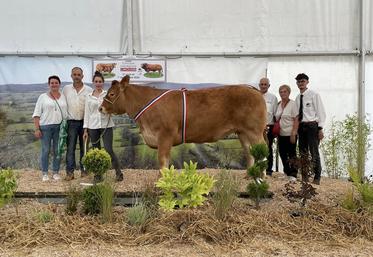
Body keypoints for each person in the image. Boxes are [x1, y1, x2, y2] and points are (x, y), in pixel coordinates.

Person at [83, 72, 124, 182]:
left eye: (100, 81)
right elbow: (87, 113)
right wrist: (85, 130)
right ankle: (98, 175)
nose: (98, 83)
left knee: (109, 149)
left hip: (107, 125)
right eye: (96, 81)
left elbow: (114, 107)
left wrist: (111, 111)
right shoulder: (88, 96)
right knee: (96, 151)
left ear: (103, 83)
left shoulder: (107, 94)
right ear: (93, 82)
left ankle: (118, 172)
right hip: (93, 126)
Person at [32, 75, 67, 181]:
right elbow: (36, 114)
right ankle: (45, 173)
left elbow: (65, 113)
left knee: (58, 150)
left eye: (56, 83)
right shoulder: (42, 97)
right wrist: (37, 129)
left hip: (59, 128)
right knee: (46, 150)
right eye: (52, 83)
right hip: (45, 127)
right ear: (49, 84)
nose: (54, 84)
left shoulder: (63, 96)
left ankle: (56, 172)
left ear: (59, 84)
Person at [295, 73, 326, 185]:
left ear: (307, 82)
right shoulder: (298, 98)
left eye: (302, 81)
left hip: (312, 126)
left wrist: (320, 128)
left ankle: (317, 177)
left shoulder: (314, 94)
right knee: (303, 152)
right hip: (301, 126)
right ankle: (304, 177)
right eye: (298, 82)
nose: (300, 84)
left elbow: (321, 112)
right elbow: (297, 115)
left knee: (314, 152)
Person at [62, 67, 93, 180]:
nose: (76, 76)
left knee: (84, 148)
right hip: (71, 123)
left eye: (78, 74)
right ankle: (69, 173)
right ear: (71, 76)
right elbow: (62, 104)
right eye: (74, 74)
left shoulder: (89, 90)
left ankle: (84, 171)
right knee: (70, 148)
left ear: (82, 76)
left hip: (85, 123)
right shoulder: (66, 89)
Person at [275, 85, 299, 181]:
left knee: (292, 154)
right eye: (281, 91)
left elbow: (296, 119)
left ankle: (293, 174)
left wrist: (294, 132)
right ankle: (287, 172)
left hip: (290, 133)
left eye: (285, 91)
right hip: (281, 133)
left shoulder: (293, 104)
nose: (282, 93)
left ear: (289, 93)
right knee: (282, 153)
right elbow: (276, 118)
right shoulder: (279, 104)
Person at [259, 77, 278, 176]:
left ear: (269, 86)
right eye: (261, 84)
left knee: (268, 148)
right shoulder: (255, 96)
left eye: (265, 84)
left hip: (268, 126)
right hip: (256, 127)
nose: (263, 86)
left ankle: (268, 170)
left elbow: (275, 114)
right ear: (259, 85)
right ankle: (258, 168)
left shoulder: (273, 98)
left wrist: (275, 130)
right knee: (256, 148)